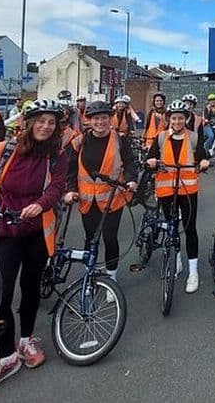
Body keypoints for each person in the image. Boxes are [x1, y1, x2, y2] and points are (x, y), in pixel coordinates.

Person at [0, 99, 68, 399]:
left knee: (31, 288)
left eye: (51, 122)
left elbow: (56, 187)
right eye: (41, 120)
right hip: (6, 231)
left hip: (37, 234)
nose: (46, 126)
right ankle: (7, 357)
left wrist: (41, 204)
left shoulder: (56, 156)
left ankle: (26, 339)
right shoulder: (3, 150)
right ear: (28, 122)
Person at [63, 101, 137, 296]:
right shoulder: (79, 142)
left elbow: (130, 163)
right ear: (89, 121)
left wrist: (130, 180)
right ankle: (89, 277)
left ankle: (111, 278)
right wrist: (70, 190)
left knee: (110, 237)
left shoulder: (120, 140)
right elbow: (69, 169)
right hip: (87, 200)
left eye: (104, 117)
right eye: (96, 118)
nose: (100, 122)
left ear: (109, 118)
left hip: (112, 198)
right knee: (90, 239)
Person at [145, 100, 209, 293]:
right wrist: (151, 161)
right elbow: (151, 157)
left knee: (190, 229)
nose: (178, 121)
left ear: (186, 118)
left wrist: (204, 162)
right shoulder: (161, 137)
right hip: (166, 190)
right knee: (172, 228)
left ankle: (193, 271)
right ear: (169, 119)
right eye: (174, 118)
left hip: (188, 191)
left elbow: (202, 157)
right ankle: (178, 261)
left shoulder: (194, 137)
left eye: (181, 117)